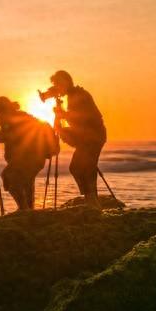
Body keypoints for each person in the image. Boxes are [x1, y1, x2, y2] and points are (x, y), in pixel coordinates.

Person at [0, 96, 58, 211]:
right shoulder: (19, 115)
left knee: (8, 177)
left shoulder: (7, 117)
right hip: (37, 157)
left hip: (27, 158)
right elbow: (11, 135)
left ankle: (23, 208)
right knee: (26, 182)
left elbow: (2, 137)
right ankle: (28, 209)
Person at [44, 70, 107, 208]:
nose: (58, 89)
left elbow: (83, 116)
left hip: (92, 137)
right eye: (56, 85)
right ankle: (91, 199)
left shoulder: (80, 95)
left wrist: (63, 114)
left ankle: (92, 201)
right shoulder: (72, 95)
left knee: (82, 167)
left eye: (59, 84)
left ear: (67, 81)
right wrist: (61, 116)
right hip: (85, 137)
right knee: (79, 167)